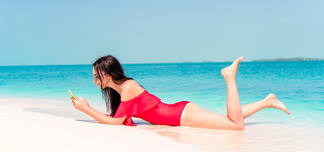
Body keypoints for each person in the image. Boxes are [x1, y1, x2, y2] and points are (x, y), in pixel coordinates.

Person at [71, 55, 290, 130]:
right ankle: (266, 102)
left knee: (236, 126)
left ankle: (229, 77)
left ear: (107, 74)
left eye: (95, 75)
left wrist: (87, 109)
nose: (93, 80)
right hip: (179, 114)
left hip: (182, 115)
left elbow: (116, 124)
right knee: (228, 120)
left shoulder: (127, 87)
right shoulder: (120, 91)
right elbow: (123, 121)